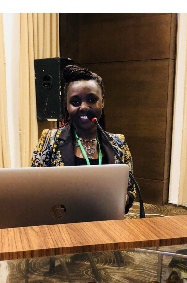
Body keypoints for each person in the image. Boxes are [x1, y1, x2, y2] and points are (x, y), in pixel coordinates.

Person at [31, 64, 137, 212]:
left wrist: (123, 199)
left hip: (106, 218)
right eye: (75, 102)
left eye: (92, 100)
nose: (84, 107)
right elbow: (34, 187)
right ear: (67, 106)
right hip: (64, 221)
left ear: (102, 102)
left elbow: (131, 189)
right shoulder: (49, 140)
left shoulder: (118, 143)